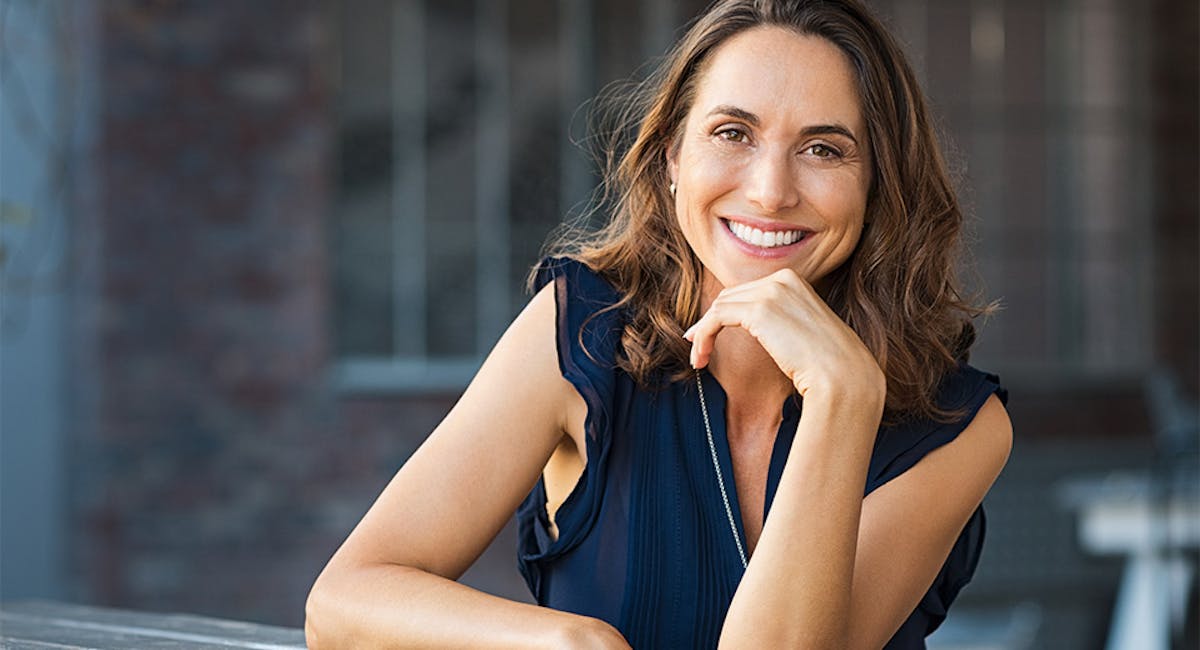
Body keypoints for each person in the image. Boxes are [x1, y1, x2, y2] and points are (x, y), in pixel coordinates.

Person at [305, 0, 1013, 647]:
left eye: (824, 148)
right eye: (732, 133)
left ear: (877, 183)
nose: (770, 191)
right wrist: (568, 643)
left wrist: (843, 399)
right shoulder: (580, 329)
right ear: (673, 158)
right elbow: (342, 602)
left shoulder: (959, 423)